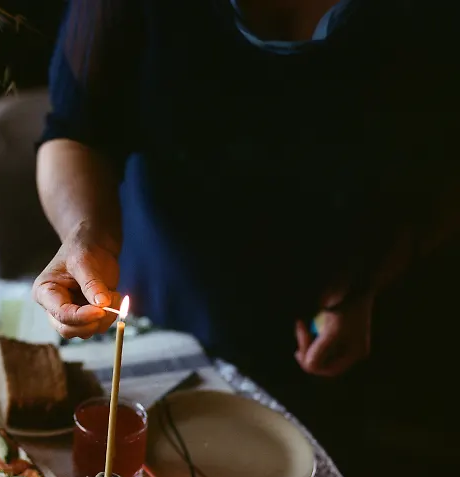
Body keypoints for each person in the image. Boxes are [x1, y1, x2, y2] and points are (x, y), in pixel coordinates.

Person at [32, 0, 460, 390]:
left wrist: (368, 280)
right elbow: (75, 131)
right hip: (162, 287)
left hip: (341, 317)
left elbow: (440, 172)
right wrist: (85, 233)